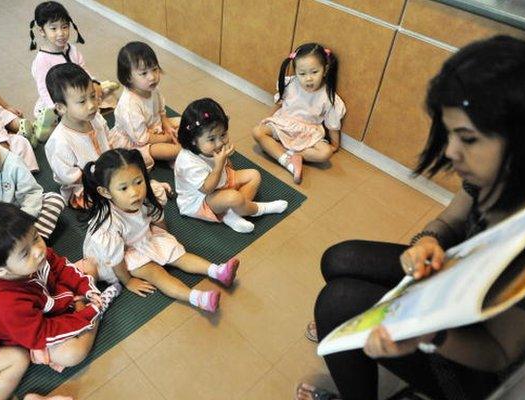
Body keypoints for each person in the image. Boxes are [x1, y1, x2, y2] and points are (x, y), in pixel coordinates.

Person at [298, 35, 525, 400]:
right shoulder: (504, 169)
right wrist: (427, 242)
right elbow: (451, 220)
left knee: (337, 302)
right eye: (450, 134)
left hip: (482, 370)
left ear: (522, 138)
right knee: (338, 259)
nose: (451, 152)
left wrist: (425, 334)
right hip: (459, 287)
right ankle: (351, 330)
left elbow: (498, 354)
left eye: (466, 138)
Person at [0, 202, 122, 372]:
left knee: (89, 265)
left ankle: (85, 303)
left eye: (36, 237)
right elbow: (41, 333)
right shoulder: (5, 305)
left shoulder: (33, 257)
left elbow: (60, 266)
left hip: (54, 298)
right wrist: (89, 313)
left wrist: (86, 288)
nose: (38, 250)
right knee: (73, 354)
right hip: (37, 331)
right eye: (24, 253)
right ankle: (98, 309)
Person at [82, 148, 240, 313]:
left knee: (179, 254)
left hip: (143, 236)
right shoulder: (108, 225)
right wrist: (127, 281)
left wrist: (165, 238)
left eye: (138, 182)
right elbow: (116, 260)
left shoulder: (149, 194)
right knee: (156, 273)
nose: (135, 192)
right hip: (118, 257)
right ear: (105, 192)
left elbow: (158, 218)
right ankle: (196, 298)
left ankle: (218, 271)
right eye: (123, 188)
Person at [175, 98, 288, 233]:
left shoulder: (209, 147)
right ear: (193, 140)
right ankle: (259, 209)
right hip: (200, 199)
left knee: (254, 175)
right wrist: (219, 165)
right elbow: (207, 189)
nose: (219, 143)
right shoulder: (188, 162)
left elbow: (228, 169)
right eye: (211, 139)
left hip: (220, 182)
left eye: (223, 135)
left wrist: (224, 163)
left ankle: (232, 215)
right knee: (234, 197)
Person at [253, 42, 346, 184]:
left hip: (307, 133)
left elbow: (332, 125)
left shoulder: (329, 97)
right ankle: (286, 161)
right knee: (257, 132)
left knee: (325, 153)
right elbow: (279, 105)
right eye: (302, 74)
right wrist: (268, 119)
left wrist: (334, 144)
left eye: (314, 72)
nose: (308, 78)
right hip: (284, 124)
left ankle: (288, 154)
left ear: (325, 70)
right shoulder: (290, 84)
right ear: (296, 72)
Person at [29, 1, 116, 142]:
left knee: (105, 97)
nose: (61, 33)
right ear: (41, 31)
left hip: (79, 93)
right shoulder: (42, 60)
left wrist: (93, 82)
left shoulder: (72, 49)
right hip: (59, 100)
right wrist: (57, 109)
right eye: (53, 29)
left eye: (64, 27)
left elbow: (84, 70)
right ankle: (39, 129)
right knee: (60, 123)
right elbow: (44, 90)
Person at [44, 63, 111, 209]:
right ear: (61, 108)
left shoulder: (95, 118)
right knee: (112, 199)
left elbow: (109, 141)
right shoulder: (59, 142)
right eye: (82, 101)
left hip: (108, 172)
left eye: (93, 96)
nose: (92, 105)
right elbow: (69, 176)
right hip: (84, 186)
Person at [110, 41, 182, 170]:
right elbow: (142, 139)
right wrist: (167, 138)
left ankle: (174, 154)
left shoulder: (153, 89)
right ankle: (177, 154)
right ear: (128, 78)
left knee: (183, 121)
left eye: (154, 69)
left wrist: (168, 127)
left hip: (154, 128)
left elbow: (161, 112)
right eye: (144, 73)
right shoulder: (129, 105)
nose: (152, 77)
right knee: (163, 149)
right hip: (136, 143)